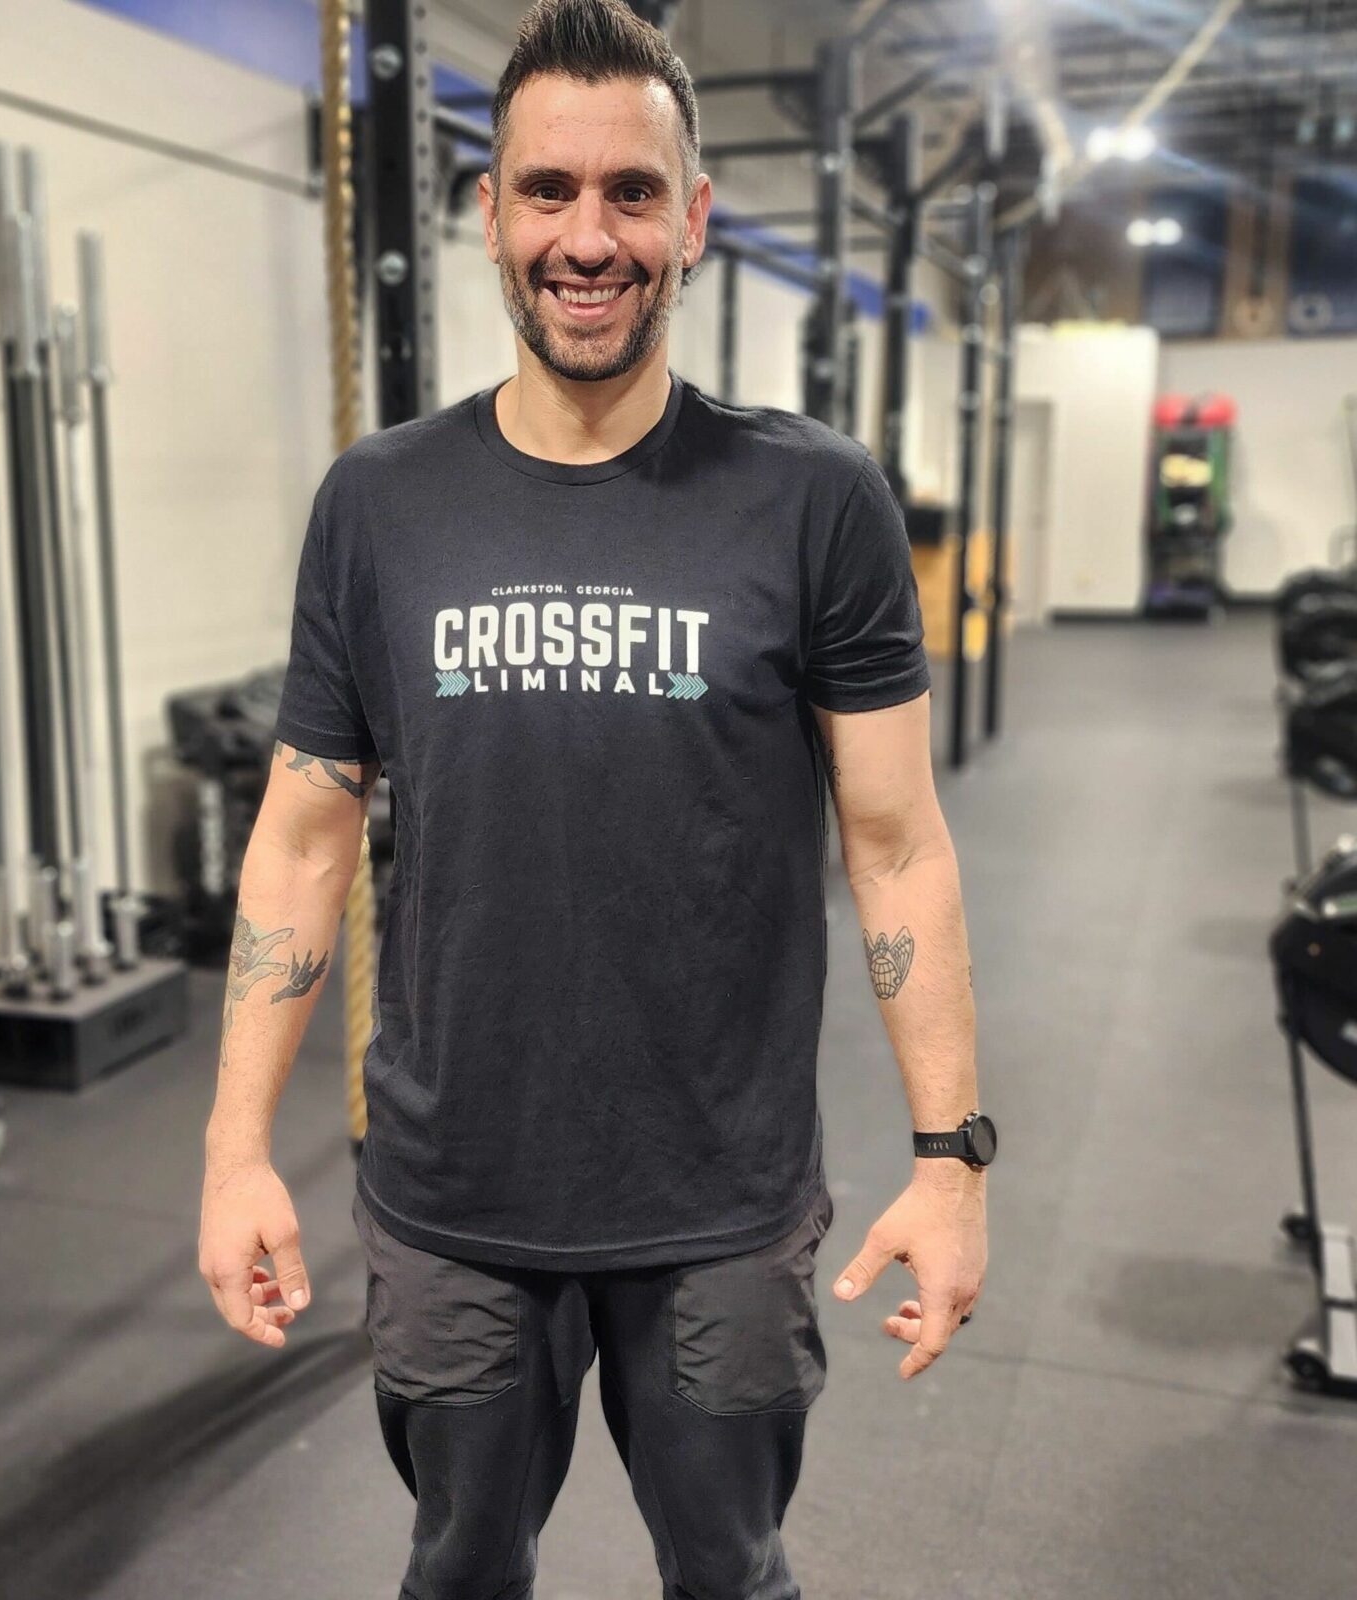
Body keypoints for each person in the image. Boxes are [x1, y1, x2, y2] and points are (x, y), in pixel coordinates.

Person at [198, 1, 991, 1594]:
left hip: (720, 1199)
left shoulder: (814, 500)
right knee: (462, 1571)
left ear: (694, 218)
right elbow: (300, 838)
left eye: (632, 192)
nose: (588, 235)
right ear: (487, 211)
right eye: (547, 190)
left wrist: (951, 1162)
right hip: (452, 1197)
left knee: (730, 1571)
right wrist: (232, 1149)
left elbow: (899, 849)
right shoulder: (378, 503)